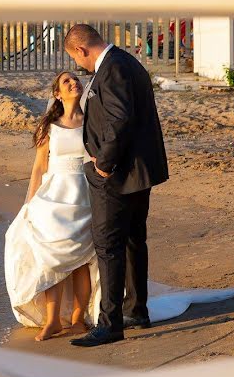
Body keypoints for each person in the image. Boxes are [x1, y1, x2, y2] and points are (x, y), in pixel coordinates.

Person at [64, 24, 169, 347]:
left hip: (119, 173)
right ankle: (135, 310)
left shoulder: (113, 68)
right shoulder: (125, 62)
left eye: (76, 60)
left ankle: (110, 323)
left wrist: (104, 163)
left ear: (82, 50)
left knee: (108, 244)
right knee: (133, 240)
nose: (80, 68)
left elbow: (120, 118)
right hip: (137, 171)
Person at [4, 71, 96, 342]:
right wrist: (28, 204)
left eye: (76, 79)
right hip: (52, 197)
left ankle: (78, 320)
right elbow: (38, 168)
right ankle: (52, 320)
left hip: (84, 195)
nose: (74, 83)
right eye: (66, 82)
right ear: (57, 94)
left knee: (81, 261)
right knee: (50, 259)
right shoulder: (50, 126)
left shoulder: (92, 122)